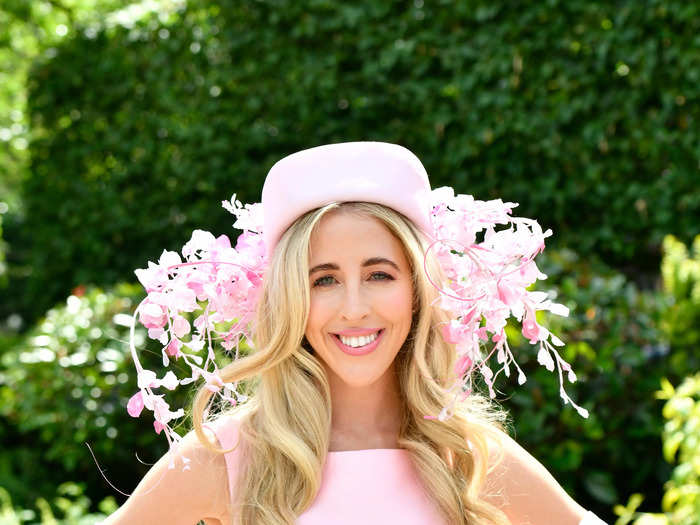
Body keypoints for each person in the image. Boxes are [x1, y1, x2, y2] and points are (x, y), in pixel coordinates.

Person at [103, 142, 608, 524]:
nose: (353, 308)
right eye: (323, 280)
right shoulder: (229, 454)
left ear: (416, 288)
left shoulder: (467, 455)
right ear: (291, 298)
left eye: (379, 274)